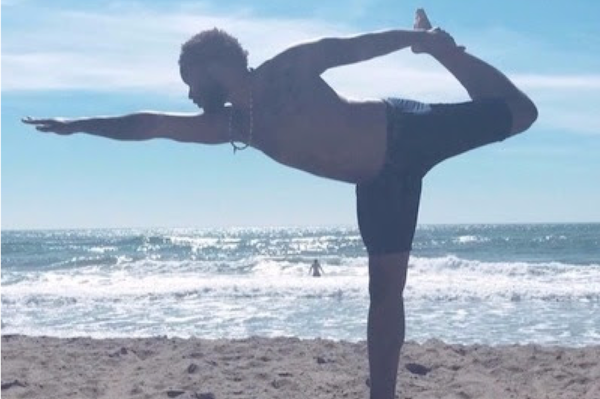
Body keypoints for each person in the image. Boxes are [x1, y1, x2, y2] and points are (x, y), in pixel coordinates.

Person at [22, 8, 538, 399]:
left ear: (214, 65)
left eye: (192, 83)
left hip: (404, 131)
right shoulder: (235, 126)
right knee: (384, 293)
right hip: (378, 184)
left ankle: (447, 54)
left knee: (522, 113)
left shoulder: (286, 71)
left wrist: (419, 41)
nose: (190, 97)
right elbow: (151, 125)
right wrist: (78, 126)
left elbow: (351, 47)